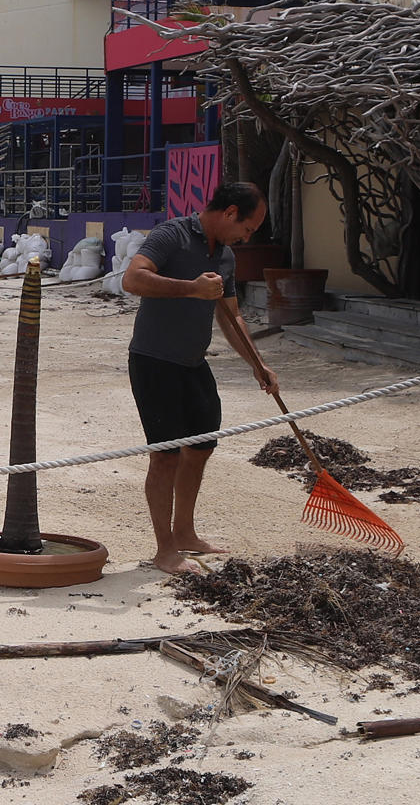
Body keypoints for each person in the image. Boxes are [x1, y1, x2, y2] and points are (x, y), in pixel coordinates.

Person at [120, 181, 279, 574]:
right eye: (248, 228)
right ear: (229, 213)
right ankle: (164, 551)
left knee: (202, 446)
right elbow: (132, 279)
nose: (247, 237)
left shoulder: (224, 256)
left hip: (194, 363)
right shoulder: (171, 234)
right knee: (165, 455)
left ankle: (186, 533)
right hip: (154, 361)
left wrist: (258, 363)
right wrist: (192, 289)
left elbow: (231, 315)